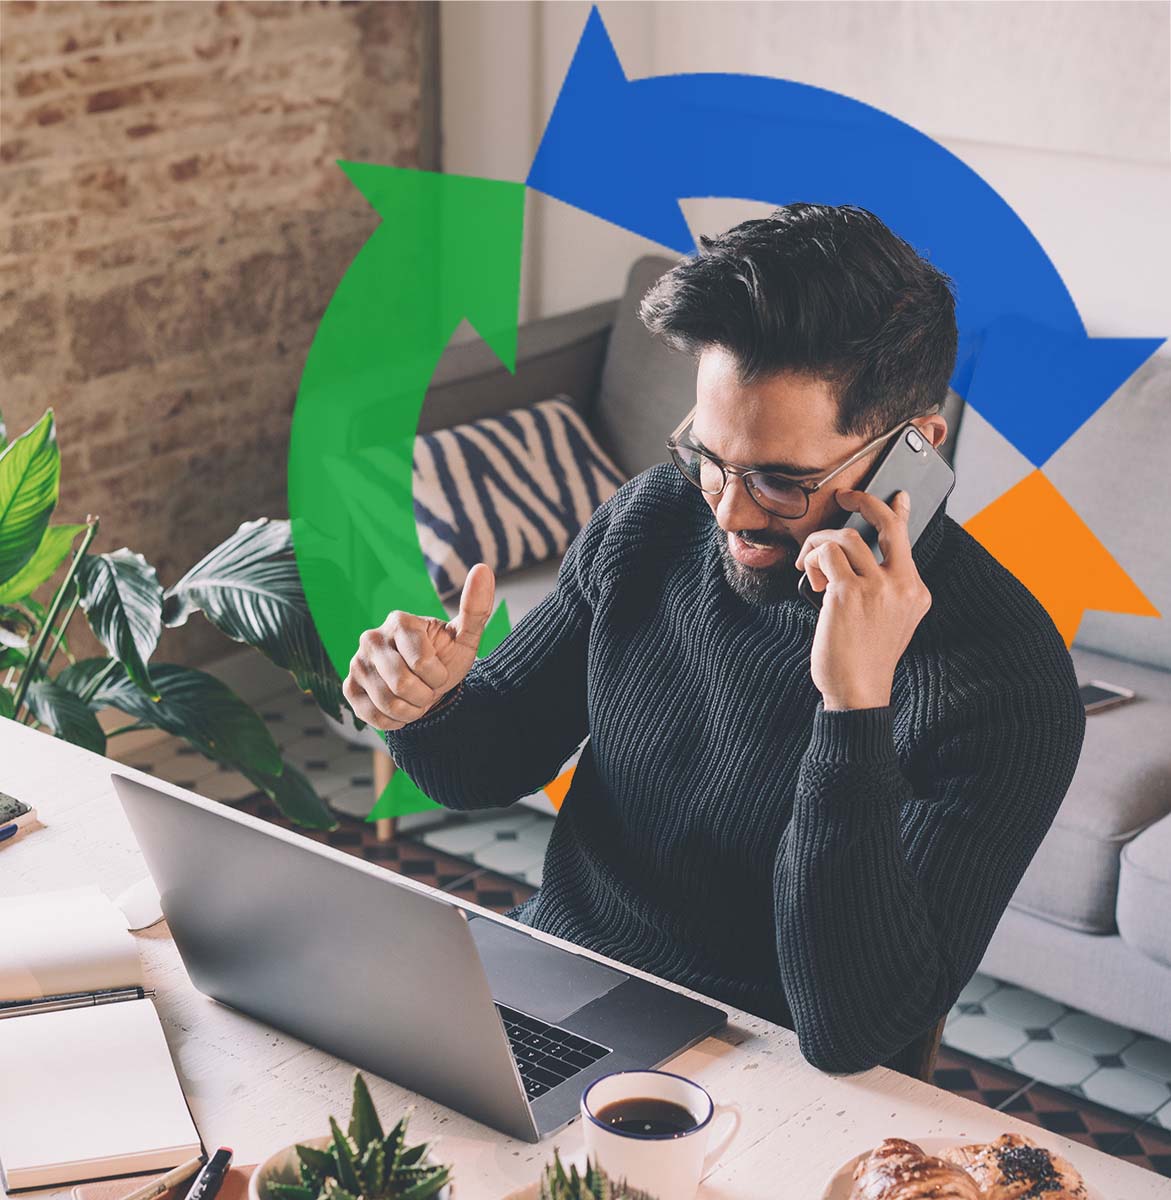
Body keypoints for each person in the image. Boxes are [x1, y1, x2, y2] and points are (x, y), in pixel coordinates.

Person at [342, 203, 1086, 1074]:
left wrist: (854, 708)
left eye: (779, 479)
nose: (727, 512)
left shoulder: (1006, 684)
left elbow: (854, 1032)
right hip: (557, 985)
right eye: (707, 454)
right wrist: (426, 703)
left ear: (913, 449)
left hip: (771, 1072)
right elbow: (488, 764)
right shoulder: (653, 520)